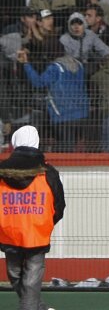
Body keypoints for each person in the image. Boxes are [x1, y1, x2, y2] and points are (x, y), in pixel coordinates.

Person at [0, 126, 65, 310]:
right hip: (37, 232)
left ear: (14, 143)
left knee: (14, 274)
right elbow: (59, 205)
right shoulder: (48, 172)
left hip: (9, 231)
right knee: (32, 277)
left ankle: (33, 307)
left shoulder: (2, 171)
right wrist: (45, 223)